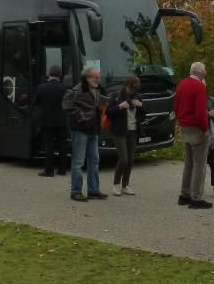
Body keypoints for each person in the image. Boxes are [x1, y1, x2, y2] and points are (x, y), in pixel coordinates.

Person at [64, 66, 106, 202]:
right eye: (96, 77)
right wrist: (80, 116)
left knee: (94, 160)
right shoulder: (77, 90)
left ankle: (93, 190)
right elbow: (66, 105)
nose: (98, 79)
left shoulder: (96, 89)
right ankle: (76, 191)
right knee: (78, 161)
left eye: (99, 77)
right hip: (80, 130)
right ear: (87, 78)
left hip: (93, 129)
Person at [175, 61, 212, 209]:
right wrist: (205, 128)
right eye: (205, 71)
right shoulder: (199, 87)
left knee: (189, 163)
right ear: (200, 72)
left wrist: (180, 121)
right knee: (199, 164)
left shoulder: (181, 84)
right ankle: (196, 197)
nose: (205, 73)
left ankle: (184, 194)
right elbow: (200, 112)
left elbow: (176, 106)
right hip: (197, 127)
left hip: (184, 126)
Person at [106, 75, 145, 196]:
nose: (132, 91)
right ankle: (116, 184)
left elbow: (142, 116)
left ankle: (125, 185)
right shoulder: (116, 95)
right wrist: (120, 106)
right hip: (119, 131)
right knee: (123, 159)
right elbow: (108, 112)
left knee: (131, 160)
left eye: (135, 89)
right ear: (126, 85)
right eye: (131, 89)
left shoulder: (138, 96)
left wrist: (141, 106)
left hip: (133, 131)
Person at [34, 65, 69, 177]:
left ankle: (49, 171)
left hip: (47, 121)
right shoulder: (65, 88)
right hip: (61, 121)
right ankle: (62, 169)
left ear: (49, 74)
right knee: (62, 145)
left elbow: (36, 103)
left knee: (49, 146)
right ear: (60, 75)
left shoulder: (41, 88)